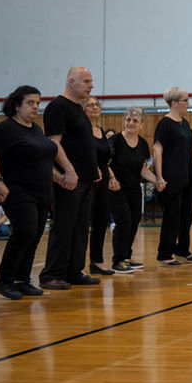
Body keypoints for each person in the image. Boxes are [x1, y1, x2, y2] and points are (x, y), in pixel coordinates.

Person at [0, 86, 58, 299]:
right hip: (18, 190)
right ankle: (4, 280)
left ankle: (22, 280)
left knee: (35, 235)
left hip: (42, 191)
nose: (36, 107)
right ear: (16, 105)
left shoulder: (36, 130)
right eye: (30, 103)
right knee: (25, 231)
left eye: (38, 103)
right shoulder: (4, 129)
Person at [41, 66, 101, 290]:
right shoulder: (58, 107)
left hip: (86, 179)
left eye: (91, 81)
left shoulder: (78, 108)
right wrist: (69, 170)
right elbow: (53, 143)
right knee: (64, 227)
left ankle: (74, 271)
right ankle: (51, 275)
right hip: (70, 180)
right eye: (86, 81)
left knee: (81, 227)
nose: (91, 85)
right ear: (71, 82)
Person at [153, 87, 192, 266]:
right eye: (185, 100)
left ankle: (183, 250)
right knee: (172, 217)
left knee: (186, 215)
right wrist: (159, 176)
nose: (188, 103)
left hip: (188, 176)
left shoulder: (185, 124)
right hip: (172, 177)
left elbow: (191, 150)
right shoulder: (165, 124)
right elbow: (157, 149)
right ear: (174, 103)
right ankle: (164, 254)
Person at [108, 106, 154, 273]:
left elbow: (143, 170)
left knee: (133, 222)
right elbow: (104, 164)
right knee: (124, 221)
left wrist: (157, 180)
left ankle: (126, 257)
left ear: (142, 124)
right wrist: (112, 178)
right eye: (128, 119)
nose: (131, 123)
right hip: (116, 188)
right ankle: (118, 261)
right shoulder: (115, 140)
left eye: (135, 120)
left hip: (135, 189)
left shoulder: (142, 143)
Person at [83, 97, 115, 276]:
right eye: (90, 104)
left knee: (101, 221)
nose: (95, 107)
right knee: (83, 222)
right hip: (87, 179)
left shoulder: (100, 130)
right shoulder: (82, 130)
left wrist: (112, 177)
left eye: (96, 104)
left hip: (102, 179)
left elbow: (104, 161)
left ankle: (97, 261)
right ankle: (75, 264)